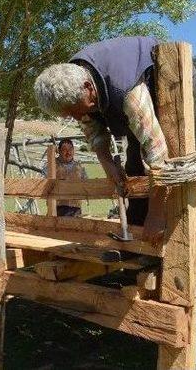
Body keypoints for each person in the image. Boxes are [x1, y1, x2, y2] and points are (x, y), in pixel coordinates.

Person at [33, 36, 168, 242]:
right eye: (70, 115)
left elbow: (158, 155)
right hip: (126, 103)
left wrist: (157, 215)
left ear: (89, 88)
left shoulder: (127, 92)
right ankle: (139, 238)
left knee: (174, 155)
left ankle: (168, 225)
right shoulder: (74, 84)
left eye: (75, 112)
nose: (77, 118)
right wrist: (106, 163)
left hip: (168, 81)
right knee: (134, 169)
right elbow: (93, 130)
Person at [42, 138, 88, 217]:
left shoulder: (79, 167)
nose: (68, 152)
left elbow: (86, 184)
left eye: (70, 149)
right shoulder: (51, 165)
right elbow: (44, 183)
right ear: (59, 151)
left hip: (75, 208)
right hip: (57, 207)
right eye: (64, 150)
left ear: (73, 151)